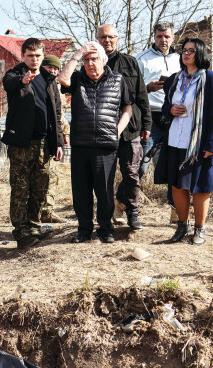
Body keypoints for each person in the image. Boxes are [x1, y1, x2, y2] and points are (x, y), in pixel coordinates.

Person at [58, 41, 133, 244]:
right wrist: (77, 54)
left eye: (94, 59)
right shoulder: (77, 78)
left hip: (105, 146)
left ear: (103, 60)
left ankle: (106, 229)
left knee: (104, 191)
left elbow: (128, 108)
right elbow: (62, 79)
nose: (90, 63)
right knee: (81, 192)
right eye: (86, 59)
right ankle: (84, 230)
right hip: (81, 145)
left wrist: (117, 131)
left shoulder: (118, 80)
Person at [155, 38, 213, 245]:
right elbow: (165, 107)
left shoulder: (211, 80)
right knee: (177, 185)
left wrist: (211, 146)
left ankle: (200, 229)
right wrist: (170, 109)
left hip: (199, 143)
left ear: (201, 53)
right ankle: (181, 227)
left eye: (191, 51)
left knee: (201, 187)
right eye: (184, 50)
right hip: (176, 140)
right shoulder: (174, 79)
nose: (186, 54)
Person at [2, 38, 64, 249]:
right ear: (23, 56)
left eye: (38, 55)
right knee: (20, 189)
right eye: (30, 56)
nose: (34, 59)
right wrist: (23, 81)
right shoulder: (15, 74)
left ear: (42, 55)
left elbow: (56, 113)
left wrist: (59, 142)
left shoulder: (49, 78)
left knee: (40, 188)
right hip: (21, 144)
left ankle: (34, 226)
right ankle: (20, 231)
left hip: (44, 144)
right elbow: (8, 84)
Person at [96, 24, 151, 231]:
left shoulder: (130, 62)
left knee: (131, 174)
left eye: (110, 37)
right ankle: (106, 216)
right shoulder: (92, 63)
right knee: (104, 178)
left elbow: (142, 95)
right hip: (103, 131)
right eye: (102, 37)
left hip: (130, 131)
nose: (107, 41)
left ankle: (133, 213)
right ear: (97, 39)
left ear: (117, 39)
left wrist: (147, 123)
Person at [136, 21, 181, 222]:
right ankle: (123, 203)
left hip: (175, 117)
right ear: (154, 37)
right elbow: (130, 89)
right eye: (159, 36)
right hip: (150, 117)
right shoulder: (141, 59)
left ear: (173, 37)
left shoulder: (181, 59)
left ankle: (175, 209)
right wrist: (147, 87)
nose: (163, 40)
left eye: (167, 36)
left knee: (175, 165)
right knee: (140, 163)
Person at [39, 55, 70, 224]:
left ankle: (48, 210)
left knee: (54, 175)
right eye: (49, 67)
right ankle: (39, 212)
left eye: (56, 68)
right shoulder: (39, 84)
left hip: (56, 137)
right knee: (43, 176)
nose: (53, 70)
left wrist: (64, 134)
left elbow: (61, 115)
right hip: (43, 137)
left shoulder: (56, 86)